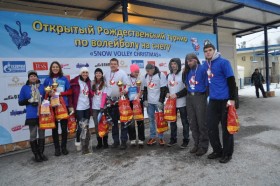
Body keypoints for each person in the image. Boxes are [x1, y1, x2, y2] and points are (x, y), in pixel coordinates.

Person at [203, 43, 237, 163]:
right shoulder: (206, 64)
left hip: (225, 101)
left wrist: (232, 100)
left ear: (214, 51)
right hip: (213, 101)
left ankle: (227, 154)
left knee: (226, 128)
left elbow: (231, 81)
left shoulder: (224, 62)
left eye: (210, 50)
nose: (208, 52)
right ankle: (218, 150)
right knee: (211, 127)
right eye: (206, 51)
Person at [44, 61, 72, 156]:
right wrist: (49, 94)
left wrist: (60, 93)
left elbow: (70, 91)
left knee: (64, 128)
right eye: (53, 67)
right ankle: (57, 148)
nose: (55, 68)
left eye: (57, 67)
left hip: (63, 106)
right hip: (52, 106)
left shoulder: (64, 79)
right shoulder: (47, 80)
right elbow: (45, 93)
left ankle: (64, 147)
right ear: (51, 69)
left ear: (60, 68)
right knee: (54, 128)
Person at [19, 70, 47, 162]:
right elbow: (20, 102)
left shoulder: (42, 87)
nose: (33, 77)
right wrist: (28, 100)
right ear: (28, 78)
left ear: (37, 77)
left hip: (42, 113)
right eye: (31, 76)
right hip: (31, 114)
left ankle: (41, 153)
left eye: (35, 76)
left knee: (42, 134)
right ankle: (36, 155)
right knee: (33, 134)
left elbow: (47, 98)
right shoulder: (25, 88)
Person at [184, 53, 209, 156]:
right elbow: (186, 83)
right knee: (192, 122)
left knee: (201, 122)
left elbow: (208, 85)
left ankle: (203, 146)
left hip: (200, 97)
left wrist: (204, 97)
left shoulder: (203, 69)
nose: (188, 63)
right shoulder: (188, 71)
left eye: (190, 61)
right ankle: (196, 144)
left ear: (195, 60)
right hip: (190, 97)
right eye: (187, 61)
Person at [104, 58, 130, 149]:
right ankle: (116, 141)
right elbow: (105, 87)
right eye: (111, 64)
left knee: (123, 122)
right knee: (114, 123)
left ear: (117, 65)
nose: (113, 65)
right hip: (111, 102)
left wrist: (124, 91)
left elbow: (127, 85)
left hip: (120, 101)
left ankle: (123, 141)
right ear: (109, 64)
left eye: (115, 64)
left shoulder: (122, 73)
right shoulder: (107, 74)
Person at [165, 58, 190, 148]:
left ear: (178, 64)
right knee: (172, 122)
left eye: (175, 64)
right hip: (172, 104)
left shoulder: (183, 74)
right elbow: (167, 87)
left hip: (182, 102)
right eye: (172, 64)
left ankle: (186, 140)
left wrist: (177, 95)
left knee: (184, 122)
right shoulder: (169, 75)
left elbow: (187, 88)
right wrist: (167, 93)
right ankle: (173, 139)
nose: (173, 65)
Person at [70, 67, 93, 154]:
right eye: (83, 72)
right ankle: (78, 141)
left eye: (86, 72)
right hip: (79, 107)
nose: (85, 74)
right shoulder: (74, 82)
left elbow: (90, 94)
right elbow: (71, 95)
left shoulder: (89, 82)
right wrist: (71, 106)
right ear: (80, 73)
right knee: (80, 126)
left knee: (86, 126)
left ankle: (85, 144)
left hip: (87, 106)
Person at [143, 64, 168, 146]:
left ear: (153, 69)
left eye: (149, 70)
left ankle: (161, 137)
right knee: (151, 120)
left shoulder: (161, 75)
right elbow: (145, 89)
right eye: (146, 71)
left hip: (158, 103)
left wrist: (161, 101)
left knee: (160, 120)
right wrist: (145, 100)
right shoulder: (146, 76)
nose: (147, 72)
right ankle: (152, 137)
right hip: (150, 103)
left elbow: (163, 89)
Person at [127, 64, 145, 147]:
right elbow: (125, 89)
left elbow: (142, 90)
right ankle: (132, 139)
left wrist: (138, 96)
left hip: (138, 101)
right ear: (131, 71)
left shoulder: (141, 78)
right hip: (129, 102)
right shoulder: (126, 78)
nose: (137, 73)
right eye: (135, 71)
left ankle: (141, 139)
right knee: (130, 121)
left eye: (138, 71)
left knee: (140, 120)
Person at [91, 68, 109, 149]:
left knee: (104, 124)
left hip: (103, 108)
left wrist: (102, 107)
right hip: (95, 108)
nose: (98, 74)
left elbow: (104, 95)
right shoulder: (92, 83)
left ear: (102, 74)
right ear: (95, 74)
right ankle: (99, 143)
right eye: (96, 73)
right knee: (96, 125)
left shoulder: (104, 83)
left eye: (99, 73)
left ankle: (105, 142)